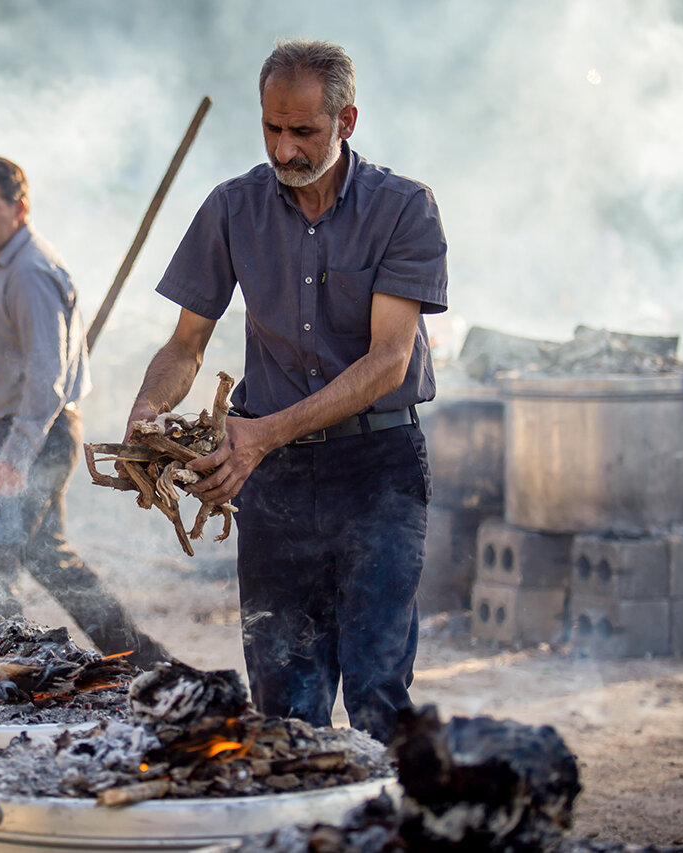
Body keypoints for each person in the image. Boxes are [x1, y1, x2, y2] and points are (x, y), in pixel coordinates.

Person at [125, 40, 448, 742]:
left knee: (377, 691)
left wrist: (264, 433)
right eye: (272, 127)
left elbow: (388, 362)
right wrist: (150, 410)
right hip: (274, 485)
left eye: (304, 131)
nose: (285, 147)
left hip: (377, 469)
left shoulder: (404, 209)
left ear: (347, 121)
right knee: (282, 703)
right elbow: (186, 346)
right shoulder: (231, 208)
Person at [0, 155, 167, 666]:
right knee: (49, 557)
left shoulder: (29, 271)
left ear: (20, 207)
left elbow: (47, 380)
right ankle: (147, 663)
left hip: (34, 431)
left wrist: (16, 453)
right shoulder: (12, 263)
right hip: (34, 429)